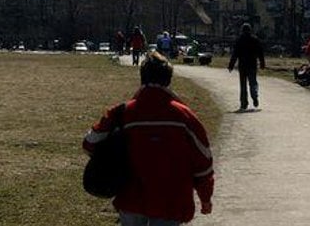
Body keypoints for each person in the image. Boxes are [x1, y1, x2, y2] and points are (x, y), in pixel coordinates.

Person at [83, 51, 214, 225]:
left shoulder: (122, 112)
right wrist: (205, 198)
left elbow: (89, 144)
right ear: (168, 80)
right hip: (171, 202)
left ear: (142, 78)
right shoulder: (185, 117)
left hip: (130, 198)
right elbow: (203, 163)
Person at [227, 22, 265, 110]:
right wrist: (262, 63)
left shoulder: (239, 40)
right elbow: (260, 53)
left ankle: (244, 103)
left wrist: (231, 65)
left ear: (242, 30)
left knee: (243, 85)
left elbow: (235, 54)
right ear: (250, 30)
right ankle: (254, 96)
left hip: (242, 65)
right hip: (252, 65)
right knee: (253, 82)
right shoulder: (255, 40)